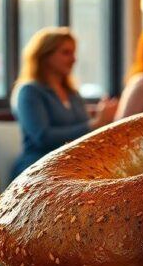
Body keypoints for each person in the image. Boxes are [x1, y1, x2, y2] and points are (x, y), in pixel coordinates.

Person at [10, 27, 118, 178]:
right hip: (38, 167)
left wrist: (103, 118)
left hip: (72, 165)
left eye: (74, 53)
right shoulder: (29, 91)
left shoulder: (72, 93)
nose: (74, 59)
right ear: (45, 56)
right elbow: (43, 137)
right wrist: (94, 124)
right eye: (66, 53)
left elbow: (85, 131)